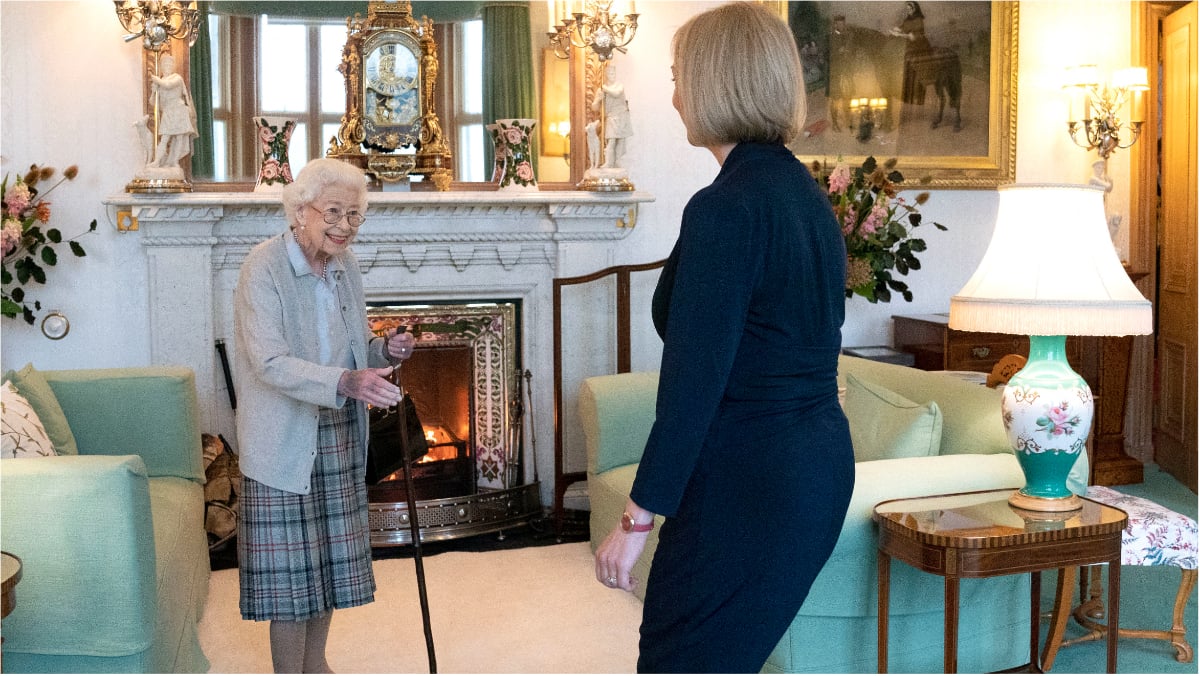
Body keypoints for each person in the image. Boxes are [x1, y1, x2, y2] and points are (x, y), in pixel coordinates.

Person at [593, 3, 855, 673]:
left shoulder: (727, 206)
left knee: (682, 659)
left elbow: (691, 390)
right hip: (812, 468)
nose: (673, 92)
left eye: (679, 74)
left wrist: (635, 523)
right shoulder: (801, 193)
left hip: (752, 478)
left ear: (717, 82)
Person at [232, 157, 416, 673]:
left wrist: (386, 351)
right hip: (283, 440)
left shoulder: (345, 268)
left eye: (355, 215)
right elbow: (268, 361)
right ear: (299, 210)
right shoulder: (262, 267)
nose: (344, 226)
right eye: (333, 211)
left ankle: (317, 665)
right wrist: (345, 382)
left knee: (331, 568)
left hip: (337, 432)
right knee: (293, 580)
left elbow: (352, 351)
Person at [149, 54, 198, 169]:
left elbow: (168, 85)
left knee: (179, 137)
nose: (167, 66)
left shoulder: (176, 78)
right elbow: (153, 103)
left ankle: (174, 162)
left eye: (169, 64)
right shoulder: (159, 82)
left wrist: (157, 80)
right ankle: (156, 161)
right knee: (165, 137)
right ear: (161, 66)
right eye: (165, 64)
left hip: (179, 110)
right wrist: (153, 91)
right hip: (168, 112)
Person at [591, 63, 633, 168]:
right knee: (611, 140)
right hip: (611, 117)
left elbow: (616, 93)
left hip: (621, 115)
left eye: (613, 72)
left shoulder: (618, 85)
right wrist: (598, 100)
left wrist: (605, 89)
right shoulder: (601, 90)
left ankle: (617, 162)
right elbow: (594, 107)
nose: (612, 74)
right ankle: (609, 163)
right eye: (609, 73)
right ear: (605, 74)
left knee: (621, 142)